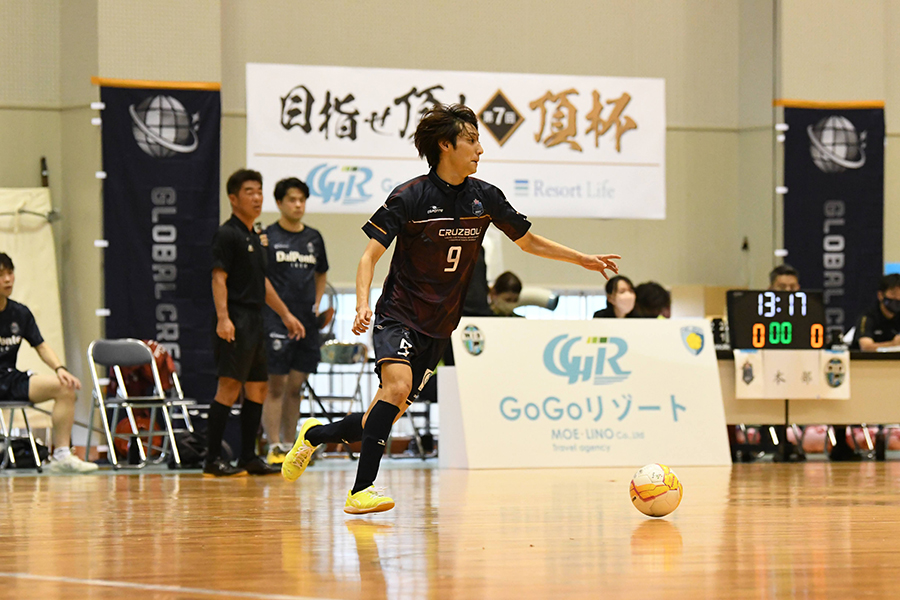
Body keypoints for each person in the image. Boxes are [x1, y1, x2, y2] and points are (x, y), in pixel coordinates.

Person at [281, 103, 620, 514]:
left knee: (382, 415)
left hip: (440, 326)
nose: (480, 150)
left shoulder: (485, 197)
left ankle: (314, 435)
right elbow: (369, 256)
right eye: (471, 140)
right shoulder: (409, 197)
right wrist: (363, 303)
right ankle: (360, 491)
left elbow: (528, 241)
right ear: (445, 145)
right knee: (397, 388)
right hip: (399, 314)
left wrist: (581, 259)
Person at [206, 169, 304, 477]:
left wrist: (286, 315)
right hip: (234, 317)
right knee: (229, 386)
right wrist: (223, 318)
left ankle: (248, 456)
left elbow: (262, 282)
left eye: (259, 191)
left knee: (258, 387)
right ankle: (211, 460)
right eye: (249, 192)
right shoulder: (227, 234)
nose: (257, 197)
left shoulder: (257, 236)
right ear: (233, 198)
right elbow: (218, 277)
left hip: (255, 318)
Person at [0, 253, 97, 473]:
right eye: (1, 275)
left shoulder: (20, 313)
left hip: (9, 378)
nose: (7, 279)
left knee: (64, 387)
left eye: (10, 273)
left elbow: (41, 346)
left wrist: (60, 369)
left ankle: (62, 455)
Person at [261, 177, 329, 465]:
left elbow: (321, 272)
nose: (298, 205)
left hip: (306, 321)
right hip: (276, 320)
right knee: (276, 384)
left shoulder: (314, 238)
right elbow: (261, 279)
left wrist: (317, 303)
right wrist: (284, 314)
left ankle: (290, 446)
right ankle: (273, 445)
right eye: (292, 199)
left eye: (302, 200)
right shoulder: (268, 237)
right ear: (279, 203)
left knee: (296, 386)